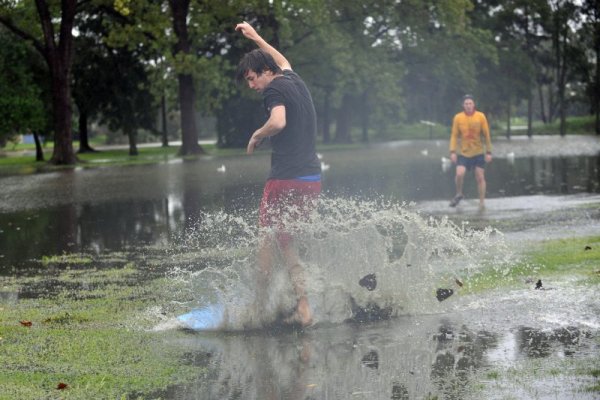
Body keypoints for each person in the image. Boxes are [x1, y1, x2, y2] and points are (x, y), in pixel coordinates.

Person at [235, 21, 321, 326]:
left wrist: (257, 135)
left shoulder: (273, 89)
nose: (251, 85)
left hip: (284, 179)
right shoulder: (293, 79)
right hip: (311, 179)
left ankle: (260, 308)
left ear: (265, 72)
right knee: (288, 241)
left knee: (267, 240)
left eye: (251, 78)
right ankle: (301, 304)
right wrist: (256, 37)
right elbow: (282, 59)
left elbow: (279, 122)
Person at [449, 95, 492, 209]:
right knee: (459, 173)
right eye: (466, 104)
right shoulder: (458, 117)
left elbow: (486, 135)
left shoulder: (481, 116)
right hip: (464, 152)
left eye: (470, 103)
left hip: (478, 152)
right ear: (463, 105)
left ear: (474, 105)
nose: (468, 106)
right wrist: (452, 151)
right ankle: (459, 193)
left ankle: (481, 202)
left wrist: (488, 152)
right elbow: (454, 135)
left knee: (480, 177)